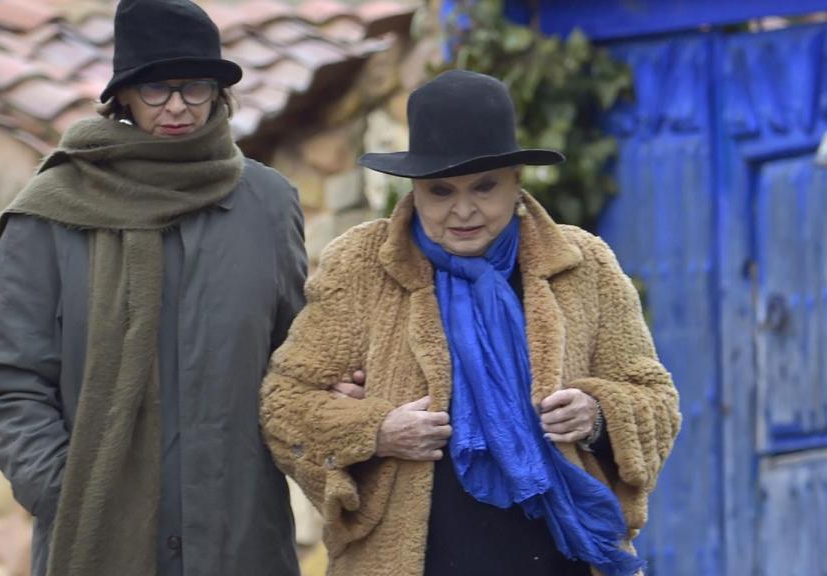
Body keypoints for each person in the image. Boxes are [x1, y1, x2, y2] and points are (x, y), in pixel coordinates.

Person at [260, 70, 681, 576]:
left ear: (517, 183)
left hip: (558, 557)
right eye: (440, 191)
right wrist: (375, 430)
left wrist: (597, 416)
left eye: (484, 187)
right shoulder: (362, 265)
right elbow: (284, 404)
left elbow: (656, 399)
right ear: (414, 190)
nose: (463, 210)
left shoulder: (582, 265)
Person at [0, 1, 306, 575]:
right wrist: (69, 492)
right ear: (123, 96)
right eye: (156, 89)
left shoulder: (269, 204)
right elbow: (12, 380)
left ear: (219, 93)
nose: (177, 105)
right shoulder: (51, 214)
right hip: (98, 543)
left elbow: (296, 362)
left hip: (241, 542)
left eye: (194, 87)